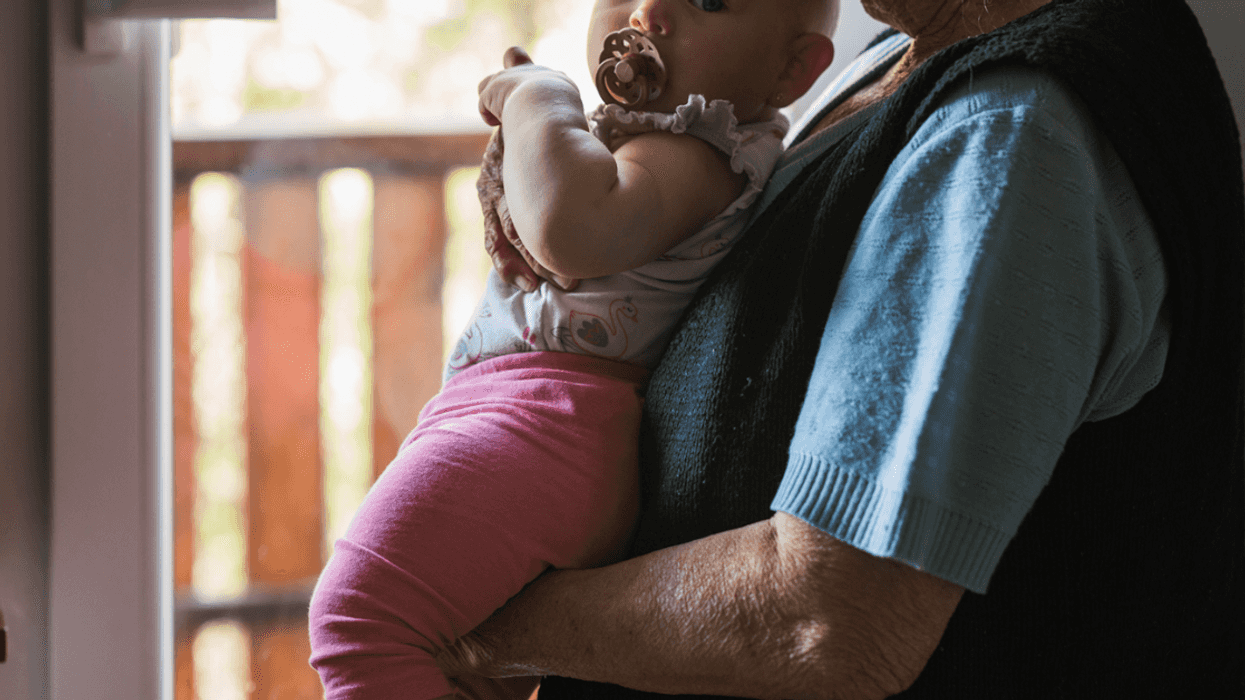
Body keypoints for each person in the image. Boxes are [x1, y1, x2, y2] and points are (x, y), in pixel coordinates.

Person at [434, 0, 1245, 697]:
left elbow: (830, 617)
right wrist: (561, 193)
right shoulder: (910, 49)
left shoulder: (1010, 131)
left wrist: (473, 620)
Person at [306, 1, 839, 698]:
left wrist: (539, 97)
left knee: (357, 620)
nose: (649, 11)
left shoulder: (699, 151)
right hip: (527, 417)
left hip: (545, 425)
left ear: (791, 69)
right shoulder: (645, 141)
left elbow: (570, 227)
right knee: (454, 673)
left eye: (707, 0)